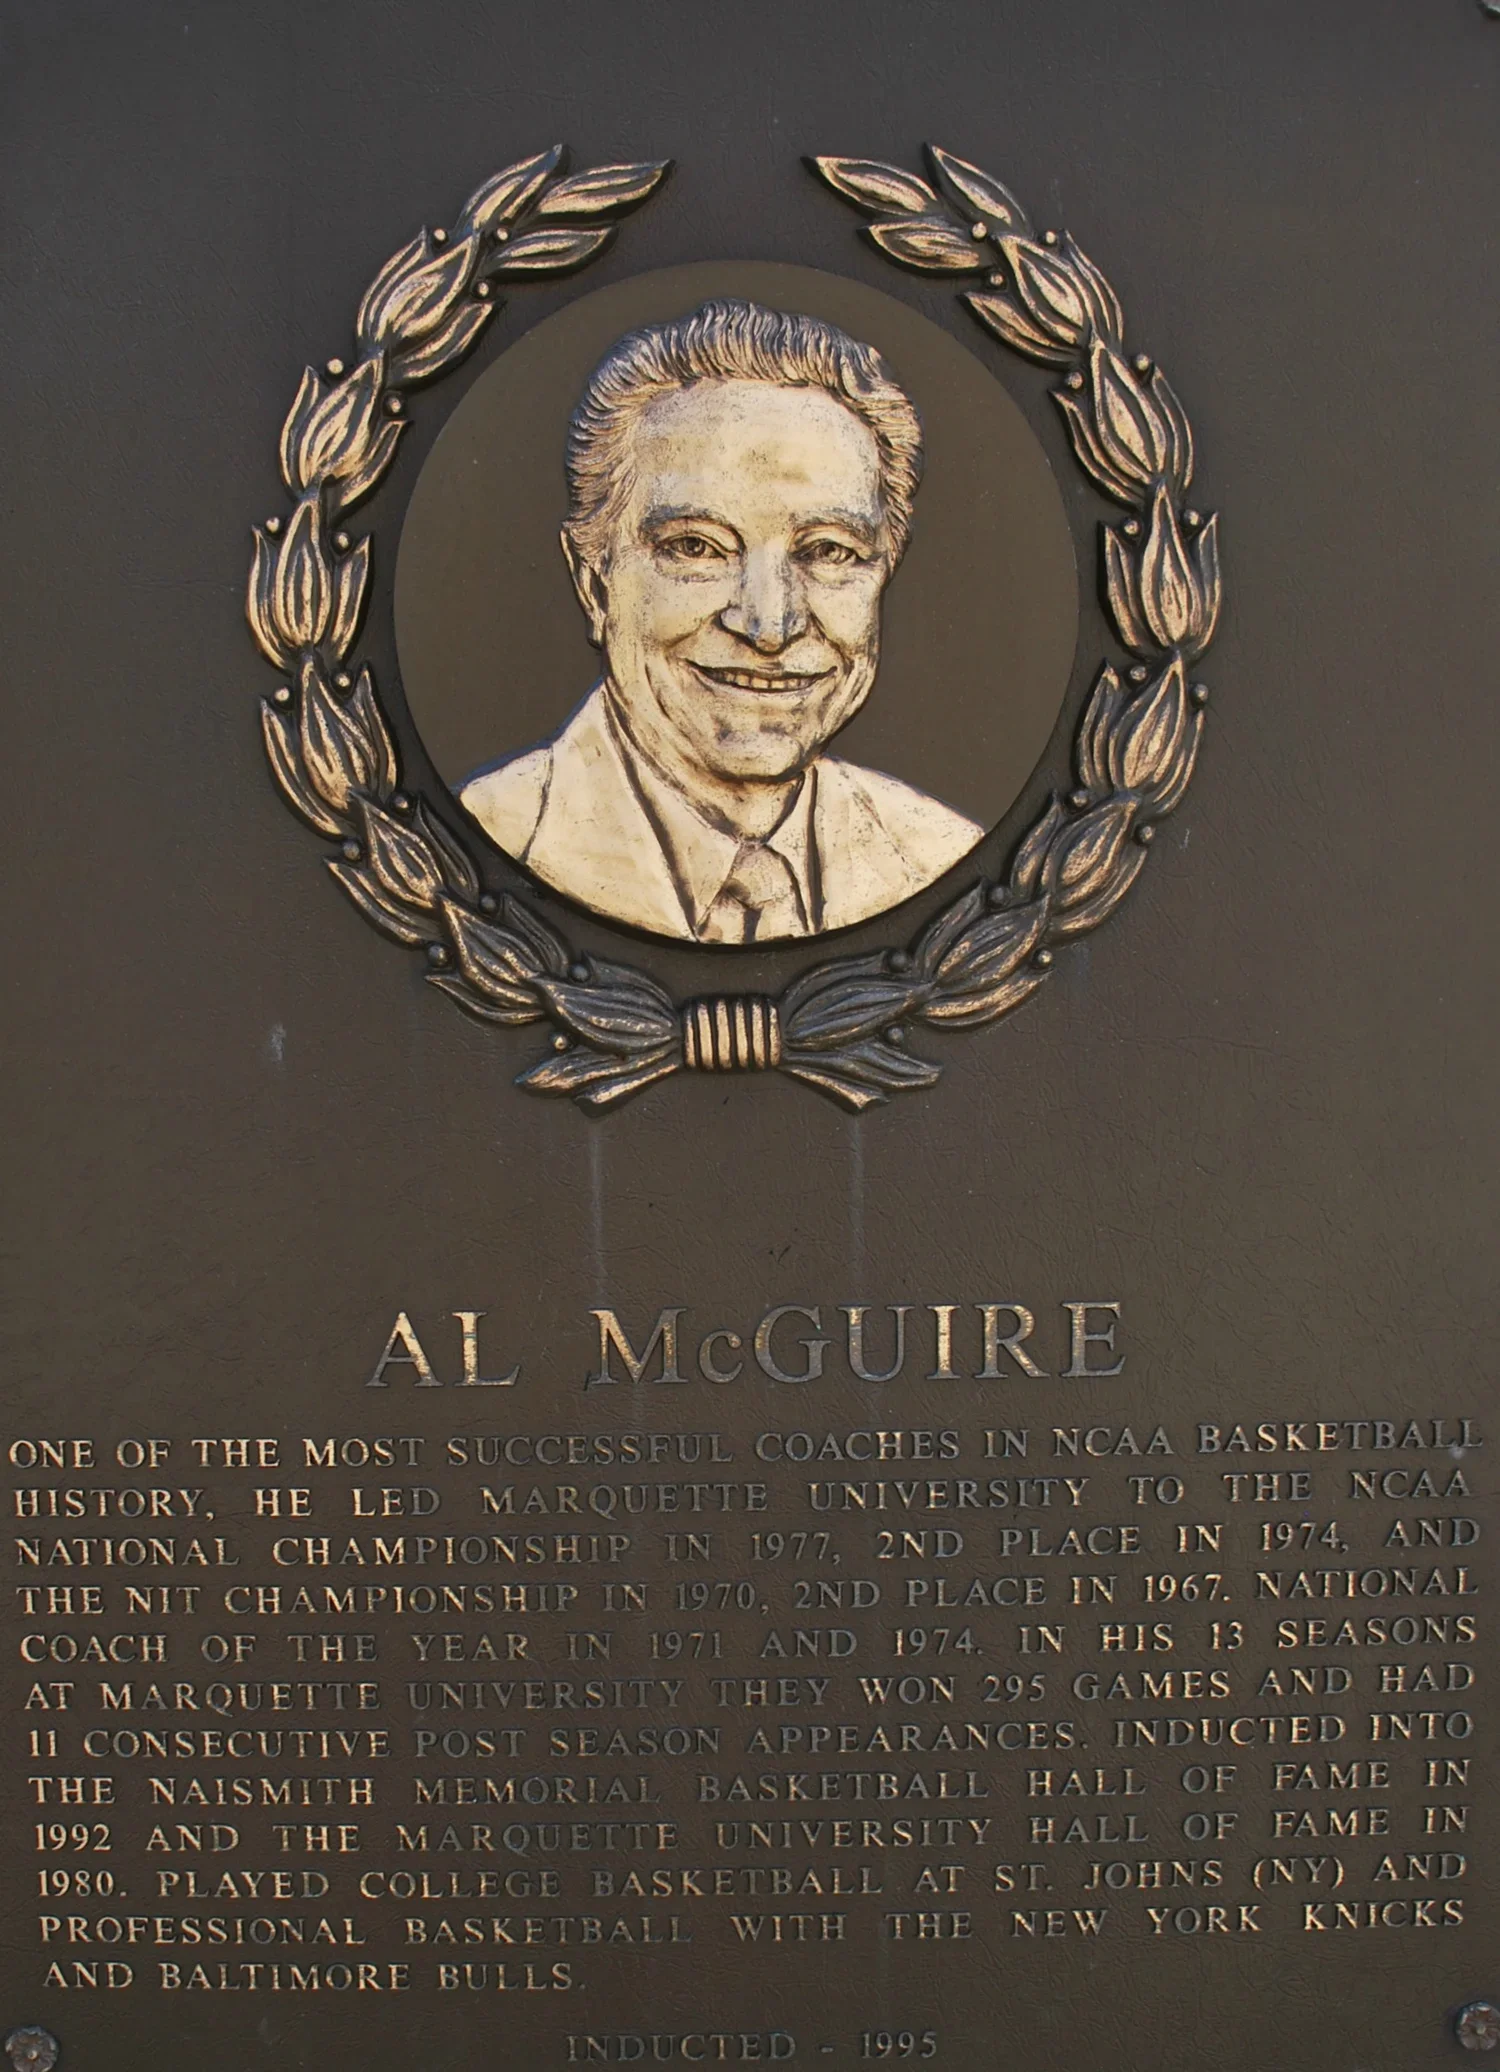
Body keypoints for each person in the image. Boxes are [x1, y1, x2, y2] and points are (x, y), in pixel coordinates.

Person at [458, 298, 983, 942]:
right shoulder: (473, 840)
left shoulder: (945, 857)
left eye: (829, 551)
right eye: (696, 547)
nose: (770, 626)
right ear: (594, 583)